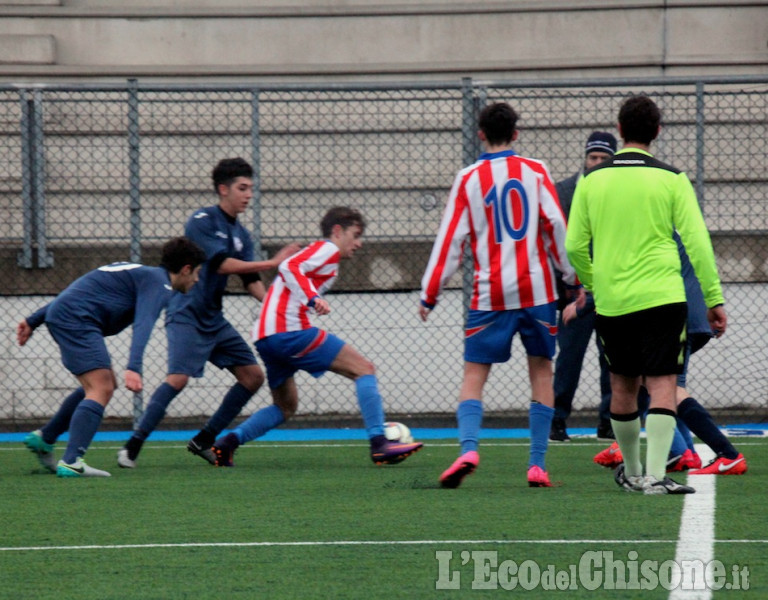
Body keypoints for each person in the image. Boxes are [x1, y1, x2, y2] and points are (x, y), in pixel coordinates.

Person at [565, 94, 728, 495]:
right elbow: (697, 243)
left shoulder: (593, 179)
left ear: (620, 131)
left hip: (614, 300)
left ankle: (634, 472)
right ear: (657, 132)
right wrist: (713, 298)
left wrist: (592, 284)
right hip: (662, 297)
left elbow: (573, 246)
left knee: (622, 386)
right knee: (662, 385)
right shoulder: (671, 178)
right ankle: (656, 475)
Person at [418, 101, 583, 489]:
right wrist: (572, 277)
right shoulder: (536, 171)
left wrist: (430, 292)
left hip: (490, 293)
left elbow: (451, 241)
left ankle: (469, 449)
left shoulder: (468, 178)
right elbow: (556, 227)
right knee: (541, 370)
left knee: (474, 375)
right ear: (516, 134)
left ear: (480, 135)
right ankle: (537, 464)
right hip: (537, 289)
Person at [117, 158, 300, 469]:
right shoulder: (201, 221)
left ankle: (205, 439)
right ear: (223, 189)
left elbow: (250, 281)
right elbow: (220, 264)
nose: (248, 195)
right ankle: (132, 446)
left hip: (214, 318)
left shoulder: (242, 233)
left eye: (251, 189)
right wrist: (272, 263)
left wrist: (276, 306)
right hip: (187, 312)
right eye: (242, 188)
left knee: (253, 377)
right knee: (177, 379)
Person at [211, 206, 423, 466]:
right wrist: (313, 298)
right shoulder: (327, 249)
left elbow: (292, 274)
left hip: (267, 336)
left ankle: (227, 443)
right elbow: (289, 265)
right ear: (337, 231)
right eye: (355, 235)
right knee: (364, 369)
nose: (359, 243)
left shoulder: (326, 256)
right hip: (289, 331)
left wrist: (309, 297)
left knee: (285, 407)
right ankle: (380, 444)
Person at [18, 236, 205, 477]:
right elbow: (144, 323)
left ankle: (46, 438)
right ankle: (72, 461)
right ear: (186, 269)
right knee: (102, 387)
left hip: (68, 315)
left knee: (101, 384)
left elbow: (76, 290)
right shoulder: (161, 285)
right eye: (197, 273)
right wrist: (134, 367)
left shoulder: (143, 273)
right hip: (78, 320)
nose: (197, 279)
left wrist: (34, 319)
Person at [592, 236, 747, 475]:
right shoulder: (672, 222)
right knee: (655, 385)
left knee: (665, 389)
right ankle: (683, 452)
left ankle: (727, 454)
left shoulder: (651, 227)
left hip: (674, 315)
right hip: (692, 314)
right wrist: (712, 301)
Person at [550, 131, 617, 443]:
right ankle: (556, 419)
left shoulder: (620, 192)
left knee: (612, 360)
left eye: (604, 158)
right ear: (585, 158)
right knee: (569, 357)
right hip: (573, 292)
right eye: (593, 157)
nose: (597, 163)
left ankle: (609, 421)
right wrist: (565, 285)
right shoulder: (562, 191)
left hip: (611, 290)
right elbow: (552, 240)